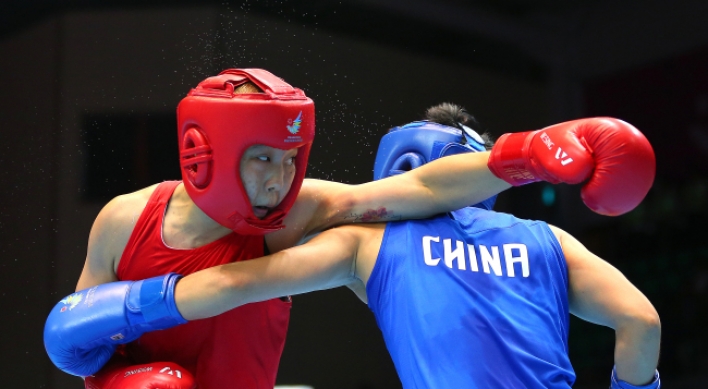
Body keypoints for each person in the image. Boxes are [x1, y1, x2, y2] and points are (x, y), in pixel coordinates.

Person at [44, 68, 655, 389]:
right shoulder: (124, 220)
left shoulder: (317, 221)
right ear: (205, 151)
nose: (281, 180)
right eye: (264, 158)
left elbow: (414, 190)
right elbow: (77, 342)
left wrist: (522, 157)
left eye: (291, 160)